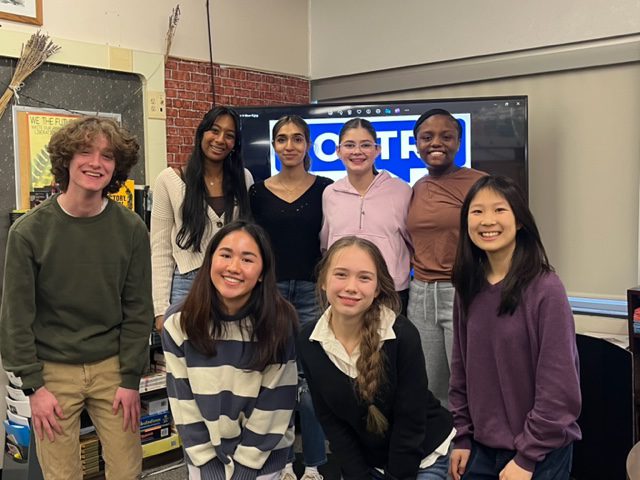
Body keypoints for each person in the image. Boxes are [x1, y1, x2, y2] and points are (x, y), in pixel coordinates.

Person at [0, 116, 153, 479]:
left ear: (117, 167)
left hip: (113, 367)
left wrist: (131, 378)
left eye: (107, 156)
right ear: (66, 159)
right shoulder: (28, 233)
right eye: (85, 151)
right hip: (53, 371)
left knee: (127, 470)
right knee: (61, 475)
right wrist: (34, 387)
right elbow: (15, 319)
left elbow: (138, 309)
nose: (95, 163)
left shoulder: (130, 229)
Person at [449, 175, 581, 480]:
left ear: (520, 220)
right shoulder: (467, 286)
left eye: (499, 210)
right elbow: (461, 369)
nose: (487, 221)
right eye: (477, 212)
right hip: (480, 448)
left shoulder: (546, 289)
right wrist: (463, 436)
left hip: (539, 454)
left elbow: (559, 388)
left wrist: (527, 456)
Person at [298, 236, 454, 480]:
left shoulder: (400, 335)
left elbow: (410, 422)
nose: (351, 286)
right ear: (323, 281)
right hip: (367, 463)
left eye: (364, 278)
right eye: (341, 274)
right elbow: (331, 423)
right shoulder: (309, 340)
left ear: (377, 288)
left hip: (421, 457)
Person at [162, 220, 298, 480]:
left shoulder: (280, 321)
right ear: (210, 260)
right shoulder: (179, 321)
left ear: (262, 273)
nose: (233, 267)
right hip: (204, 458)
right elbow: (182, 401)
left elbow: (277, 403)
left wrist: (246, 468)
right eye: (225, 255)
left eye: (247, 259)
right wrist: (207, 464)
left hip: (263, 458)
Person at [249, 115, 332, 480]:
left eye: (297, 139)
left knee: (312, 382)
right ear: (274, 145)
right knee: (275, 380)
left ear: (307, 144)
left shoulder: (326, 189)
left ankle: (313, 464)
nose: (289, 146)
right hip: (272, 294)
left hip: (313, 293)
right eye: (281, 139)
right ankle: (280, 462)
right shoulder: (258, 193)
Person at [406, 108, 487, 407]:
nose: (436, 143)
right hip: (420, 294)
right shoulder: (418, 187)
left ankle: (475, 449)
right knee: (431, 387)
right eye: (427, 137)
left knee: (469, 384)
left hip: (462, 291)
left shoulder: (480, 184)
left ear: (459, 140)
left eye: (446, 136)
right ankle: (445, 451)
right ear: (416, 143)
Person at [151, 106, 253, 331]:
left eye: (229, 135)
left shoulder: (244, 179)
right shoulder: (169, 180)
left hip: (231, 282)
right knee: (184, 361)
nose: (220, 139)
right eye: (214, 131)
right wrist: (160, 309)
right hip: (187, 285)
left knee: (228, 359)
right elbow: (159, 248)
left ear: (235, 143)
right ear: (201, 134)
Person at [320, 118, 412, 313]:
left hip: (390, 293)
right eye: (350, 145)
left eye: (365, 145)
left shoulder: (401, 191)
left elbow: (413, 244)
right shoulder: (330, 193)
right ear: (338, 151)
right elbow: (326, 244)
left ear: (377, 150)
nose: (357, 152)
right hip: (344, 294)